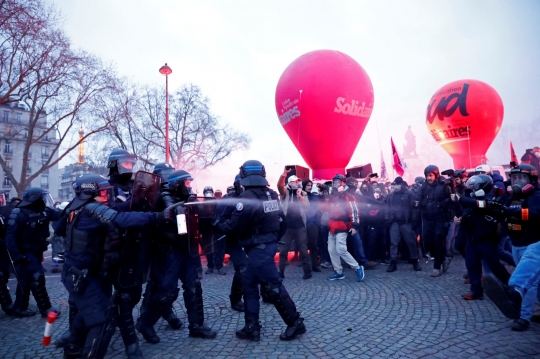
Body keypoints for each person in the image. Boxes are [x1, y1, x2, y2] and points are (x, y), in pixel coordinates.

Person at [54, 173, 173, 359]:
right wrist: (157, 216)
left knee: (88, 313)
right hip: (80, 275)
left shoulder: (74, 207)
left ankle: (72, 348)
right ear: (89, 194)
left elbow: (59, 229)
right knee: (102, 321)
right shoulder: (91, 208)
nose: (107, 197)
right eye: (102, 193)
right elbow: (122, 218)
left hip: (85, 272)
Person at [217, 160, 306, 342]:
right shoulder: (270, 194)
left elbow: (234, 225)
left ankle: (295, 323)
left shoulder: (247, 197)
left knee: (273, 286)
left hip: (258, 248)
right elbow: (282, 220)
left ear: (245, 175)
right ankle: (252, 327)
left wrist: (218, 223)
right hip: (267, 244)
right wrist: (272, 239)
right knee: (249, 284)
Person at [136, 169, 217, 345]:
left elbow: (192, 225)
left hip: (185, 249)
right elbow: (179, 227)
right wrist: (188, 209)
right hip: (169, 252)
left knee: (194, 286)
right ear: (177, 184)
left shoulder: (184, 199)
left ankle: (196, 326)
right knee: (168, 292)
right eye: (186, 183)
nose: (189, 186)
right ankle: (145, 323)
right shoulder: (166, 199)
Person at [486, 164, 540, 330]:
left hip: (533, 243)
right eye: (514, 178)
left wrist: (512, 212)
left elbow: (534, 213)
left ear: (531, 180)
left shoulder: (536, 195)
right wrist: (497, 213)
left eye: (521, 178)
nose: (517, 181)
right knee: (536, 281)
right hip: (516, 244)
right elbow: (505, 214)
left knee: (528, 284)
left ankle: (522, 315)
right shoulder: (511, 198)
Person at [138, 163, 184, 342]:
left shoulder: (173, 194)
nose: (167, 178)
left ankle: (161, 314)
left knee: (158, 284)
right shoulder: (156, 196)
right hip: (159, 246)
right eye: (164, 175)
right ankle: (146, 320)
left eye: (170, 174)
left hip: (169, 246)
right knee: (163, 287)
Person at [453, 175, 510, 300]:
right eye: (472, 186)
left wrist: (461, 198)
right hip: (472, 236)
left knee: (494, 265)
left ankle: (511, 287)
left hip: (486, 237)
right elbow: (468, 210)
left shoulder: (491, 195)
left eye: (475, 186)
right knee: (471, 264)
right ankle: (476, 290)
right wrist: (461, 218)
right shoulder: (471, 196)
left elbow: (481, 205)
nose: (472, 189)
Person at [5, 188, 61, 317]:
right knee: (37, 276)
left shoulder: (44, 211)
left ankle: (19, 308)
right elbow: (10, 236)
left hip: (37, 250)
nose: (43, 200)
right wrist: (17, 255)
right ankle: (45, 308)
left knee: (24, 280)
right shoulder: (18, 213)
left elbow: (60, 215)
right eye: (41, 198)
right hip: (25, 251)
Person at [216, 174, 248, 312]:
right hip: (235, 240)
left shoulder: (252, 197)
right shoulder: (229, 200)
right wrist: (232, 226)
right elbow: (221, 221)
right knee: (241, 268)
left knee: (260, 265)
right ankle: (235, 299)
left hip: (250, 238)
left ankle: (265, 294)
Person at [326, 174, 364, 281]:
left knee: (341, 249)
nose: (335, 184)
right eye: (334, 182)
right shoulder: (334, 196)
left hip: (343, 225)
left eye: (338, 182)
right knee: (331, 249)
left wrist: (355, 226)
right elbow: (326, 208)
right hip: (332, 225)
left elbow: (354, 211)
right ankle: (338, 271)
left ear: (343, 183)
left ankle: (357, 267)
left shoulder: (348, 196)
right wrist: (328, 196)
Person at [416, 165, 451, 277]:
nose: (428, 178)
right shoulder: (424, 186)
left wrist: (442, 204)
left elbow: (451, 198)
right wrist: (416, 202)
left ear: (436, 175)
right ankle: (443, 258)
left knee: (438, 240)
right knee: (427, 242)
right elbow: (417, 196)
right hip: (427, 218)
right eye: (427, 176)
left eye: (430, 175)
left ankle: (437, 267)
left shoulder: (444, 185)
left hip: (439, 217)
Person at [277, 170, 312, 280]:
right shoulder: (285, 192)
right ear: (290, 183)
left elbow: (308, 207)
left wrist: (300, 196)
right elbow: (279, 186)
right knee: (283, 251)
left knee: (303, 250)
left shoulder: (303, 193)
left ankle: (307, 272)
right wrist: (283, 176)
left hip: (300, 226)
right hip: (287, 226)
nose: (296, 184)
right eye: (294, 182)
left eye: (297, 182)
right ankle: (281, 272)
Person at [386, 177, 421, 272]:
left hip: (406, 221)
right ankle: (393, 263)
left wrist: (414, 220)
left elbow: (414, 208)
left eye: (397, 184)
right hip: (395, 221)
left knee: (411, 242)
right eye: (395, 184)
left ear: (402, 184)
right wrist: (387, 219)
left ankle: (415, 261)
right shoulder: (391, 195)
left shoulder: (409, 194)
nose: (396, 186)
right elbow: (387, 208)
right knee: (393, 243)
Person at [202, 186, 226, 275]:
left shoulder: (217, 203)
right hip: (207, 230)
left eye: (209, 192)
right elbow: (201, 216)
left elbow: (221, 214)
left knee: (220, 248)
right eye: (206, 192)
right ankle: (210, 266)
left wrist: (218, 223)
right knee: (208, 249)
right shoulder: (201, 204)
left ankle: (219, 266)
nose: (208, 194)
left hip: (217, 229)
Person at [0, 190, 15, 315]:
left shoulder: (5, 211)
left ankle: (8, 305)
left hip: (2, 248)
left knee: (3, 275)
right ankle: (8, 306)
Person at [302, 179, 322, 272]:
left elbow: (315, 209)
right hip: (303, 224)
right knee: (303, 246)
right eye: (307, 185)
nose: (309, 187)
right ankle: (306, 266)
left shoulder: (313, 196)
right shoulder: (300, 195)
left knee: (313, 245)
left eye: (310, 185)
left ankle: (315, 265)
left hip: (312, 224)